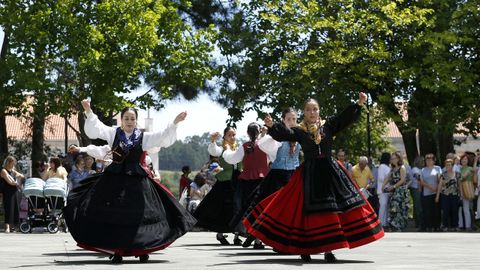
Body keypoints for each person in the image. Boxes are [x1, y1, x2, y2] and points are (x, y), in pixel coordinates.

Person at [244, 92, 383, 262]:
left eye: (315, 109)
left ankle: (328, 250)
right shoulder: (299, 131)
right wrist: (272, 126)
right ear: (304, 112)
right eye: (309, 109)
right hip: (309, 173)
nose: (312, 112)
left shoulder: (328, 126)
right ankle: (305, 248)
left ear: (319, 111)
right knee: (304, 212)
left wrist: (359, 104)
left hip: (329, 171)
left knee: (332, 209)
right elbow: (284, 134)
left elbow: (344, 118)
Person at [64, 99, 196, 263]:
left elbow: (162, 136)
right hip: (115, 180)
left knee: (138, 216)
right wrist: (88, 110)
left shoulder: (143, 137)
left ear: (136, 120)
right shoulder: (114, 133)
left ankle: (141, 249)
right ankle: (117, 251)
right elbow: (96, 129)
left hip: (137, 183)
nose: (129, 121)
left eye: (132, 119)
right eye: (126, 118)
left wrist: (175, 123)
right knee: (116, 216)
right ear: (121, 120)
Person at [235, 108, 302, 248]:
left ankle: (285, 240)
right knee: (267, 207)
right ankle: (254, 234)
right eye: (288, 119)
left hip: (294, 175)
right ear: (283, 120)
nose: (292, 122)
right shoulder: (276, 137)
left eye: (294, 119)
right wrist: (273, 130)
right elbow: (265, 146)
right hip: (277, 176)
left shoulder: (300, 134)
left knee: (292, 209)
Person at [224, 122, 271, 249]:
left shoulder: (244, 146)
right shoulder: (265, 144)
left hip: (247, 181)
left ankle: (249, 234)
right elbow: (272, 157)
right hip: (262, 180)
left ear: (247, 133)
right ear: (259, 131)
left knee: (247, 209)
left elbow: (232, 159)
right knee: (261, 210)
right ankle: (257, 240)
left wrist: (227, 149)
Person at [194, 127, 243, 246]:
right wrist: (212, 141)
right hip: (225, 181)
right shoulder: (221, 149)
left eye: (234, 135)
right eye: (230, 135)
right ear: (225, 136)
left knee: (237, 208)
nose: (232, 137)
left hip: (237, 181)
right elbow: (213, 151)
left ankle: (237, 235)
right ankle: (220, 233)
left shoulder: (238, 148)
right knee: (222, 209)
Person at [382, 152, 408, 231]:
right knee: (393, 207)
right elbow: (387, 178)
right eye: (391, 159)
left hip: (400, 191)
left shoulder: (402, 168)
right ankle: (394, 225)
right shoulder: (393, 169)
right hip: (394, 191)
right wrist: (383, 186)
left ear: (398, 159)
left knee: (399, 208)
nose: (392, 160)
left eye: (394, 158)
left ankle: (399, 226)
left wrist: (393, 186)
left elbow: (402, 180)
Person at [1, 156, 24, 233]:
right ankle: (7, 227)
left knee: (15, 209)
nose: (14, 164)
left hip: (15, 192)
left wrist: (18, 176)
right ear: (9, 162)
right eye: (13, 162)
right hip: (7, 192)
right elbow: (10, 182)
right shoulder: (4, 171)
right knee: (8, 209)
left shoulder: (13, 170)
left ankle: (12, 227)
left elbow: (22, 176)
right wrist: (16, 181)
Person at [420, 153, 442, 232]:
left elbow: (440, 180)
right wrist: (430, 187)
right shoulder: (423, 170)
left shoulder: (438, 168)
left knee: (436, 210)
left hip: (436, 193)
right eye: (427, 160)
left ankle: (437, 226)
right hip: (427, 193)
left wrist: (436, 191)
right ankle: (428, 226)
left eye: (430, 160)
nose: (428, 162)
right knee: (427, 210)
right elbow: (421, 182)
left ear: (434, 161)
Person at [437, 159, 460, 231]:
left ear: (452, 166)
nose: (447, 166)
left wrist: (461, 194)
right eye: (446, 165)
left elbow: (459, 185)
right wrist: (437, 196)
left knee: (455, 210)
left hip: (454, 194)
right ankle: (445, 226)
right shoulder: (443, 175)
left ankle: (455, 226)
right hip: (445, 195)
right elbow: (440, 185)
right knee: (445, 211)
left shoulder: (457, 174)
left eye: (449, 165)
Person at [458, 152, 477, 231]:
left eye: (465, 159)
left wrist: (475, 161)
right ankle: (466, 226)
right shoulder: (459, 169)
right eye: (463, 159)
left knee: (469, 208)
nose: (464, 160)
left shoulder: (469, 168)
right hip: (461, 189)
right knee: (464, 209)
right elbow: (460, 180)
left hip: (469, 189)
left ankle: (469, 226)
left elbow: (474, 171)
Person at [377, 152, 392, 228]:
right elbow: (380, 178)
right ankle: (381, 222)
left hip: (387, 190)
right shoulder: (382, 166)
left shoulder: (388, 167)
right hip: (382, 190)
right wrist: (389, 178)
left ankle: (385, 222)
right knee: (383, 205)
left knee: (386, 206)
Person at [410, 156, 424, 230]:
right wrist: (420, 187)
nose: (423, 163)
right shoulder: (415, 169)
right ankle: (419, 222)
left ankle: (417, 222)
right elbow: (417, 177)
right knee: (418, 206)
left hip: (419, 188)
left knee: (417, 205)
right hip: (416, 188)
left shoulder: (420, 169)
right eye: (421, 161)